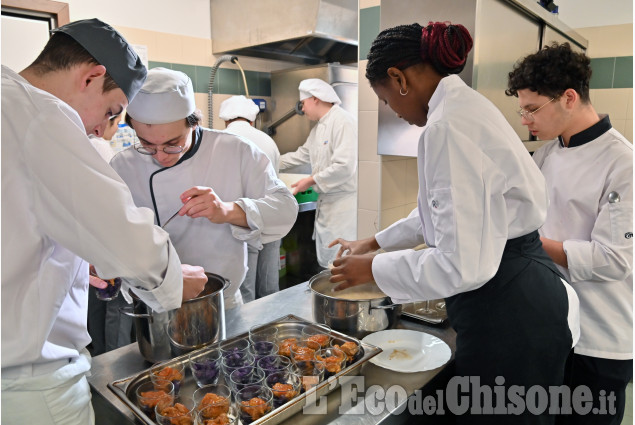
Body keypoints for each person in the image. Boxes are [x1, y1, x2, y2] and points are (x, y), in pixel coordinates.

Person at [329, 22, 580, 424]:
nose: (391, 109)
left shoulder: (447, 126)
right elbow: (442, 209)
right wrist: (375, 242)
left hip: (510, 308)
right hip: (522, 290)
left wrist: (372, 270)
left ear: (399, 78)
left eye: (384, 97)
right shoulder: (465, 107)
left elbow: (459, 264)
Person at [1, 19, 207, 425]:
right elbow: (131, 246)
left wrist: (80, 259)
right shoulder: (39, 114)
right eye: (111, 111)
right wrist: (175, 280)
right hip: (29, 383)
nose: (100, 129)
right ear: (92, 76)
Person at [506, 42, 633, 425]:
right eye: (522, 109)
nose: (525, 119)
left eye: (532, 108)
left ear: (569, 98)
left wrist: (529, 245)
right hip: (552, 330)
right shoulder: (547, 154)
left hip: (599, 341)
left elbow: (614, 260)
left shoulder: (622, 163)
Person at [110, 68, 298, 309]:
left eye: (172, 144)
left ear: (194, 124)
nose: (160, 156)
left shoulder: (235, 150)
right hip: (154, 303)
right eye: (146, 144)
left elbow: (285, 210)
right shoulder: (122, 165)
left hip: (222, 303)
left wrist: (228, 210)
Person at [278, 78, 357, 268]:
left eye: (303, 103)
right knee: (329, 262)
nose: (302, 109)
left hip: (343, 208)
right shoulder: (318, 129)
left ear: (315, 99)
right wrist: (270, 161)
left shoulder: (343, 122)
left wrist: (311, 180)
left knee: (341, 262)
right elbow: (301, 155)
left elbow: (345, 166)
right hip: (328, 206)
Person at [219, 95, 282, 302]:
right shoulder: (268, 140)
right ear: (251, 120)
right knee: (269, 287)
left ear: (226, 120)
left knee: (244, 291)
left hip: (242, 221)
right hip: (270, 218)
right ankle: (271, 329)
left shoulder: (220, 139)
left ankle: (247, 332)